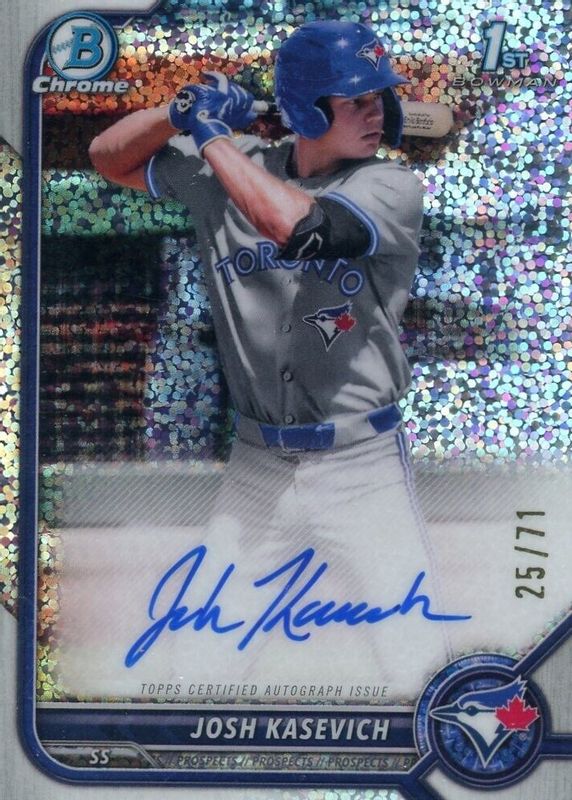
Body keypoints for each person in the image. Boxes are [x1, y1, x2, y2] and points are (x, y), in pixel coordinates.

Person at [90, 20, 462, 697]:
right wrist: (176, 111)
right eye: (355, 100)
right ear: (305, 110)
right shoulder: (234, 168)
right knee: (197, 671)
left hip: (360, 467)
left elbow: (297, 226)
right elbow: (107, 157)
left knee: (420, 675)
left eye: (379, 97)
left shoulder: (390, 186)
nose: (378, 113)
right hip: (257, 468)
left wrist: (212, 137)